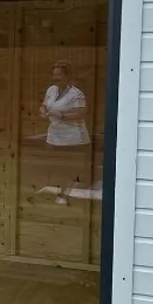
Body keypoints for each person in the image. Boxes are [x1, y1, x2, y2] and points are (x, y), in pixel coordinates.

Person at [38, 60, 90, 205]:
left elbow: (82, 113)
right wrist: (42, 110)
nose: (56, 78)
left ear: (68, 76)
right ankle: (59, 191)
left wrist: (61, 115)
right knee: (54, 166)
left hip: (72, 137)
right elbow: (44, 104)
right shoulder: (51, 90)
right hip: (54, 135)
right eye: (54, 75)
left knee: (68, 168)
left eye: (59, 75)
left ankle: (64, 195)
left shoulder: (76, 94)